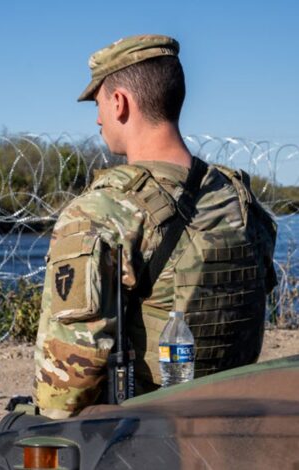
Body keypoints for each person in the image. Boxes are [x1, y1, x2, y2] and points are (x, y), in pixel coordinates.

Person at [34, 34, 277, 419]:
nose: (98, 119)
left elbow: (65, 390)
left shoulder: (101, 212)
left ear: (120, 103)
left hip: (149, 437)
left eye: (98, 105)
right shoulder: (239, 200)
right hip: (237, 428)